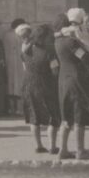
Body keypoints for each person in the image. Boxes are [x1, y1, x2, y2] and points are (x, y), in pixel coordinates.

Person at [54, 12, 89, 160]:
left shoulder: (57, 42)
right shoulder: (71, 42)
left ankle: (63, 150)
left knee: (66, 115)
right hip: (76, 79)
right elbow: (85, 59)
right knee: (79, 113)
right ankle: (80, 150)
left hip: (63, 79)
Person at [19, 24, 60, 154]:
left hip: (28, 85)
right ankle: (53, 146)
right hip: (45, 85)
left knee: (34, 115)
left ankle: (38, 145)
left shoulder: (26, 50)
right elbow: (55, 71)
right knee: (53, 116)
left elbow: (25, 68)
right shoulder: (50, 52)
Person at [4, 18, 28, 115]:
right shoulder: (20, 35)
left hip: (9, 62)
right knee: (19, 85)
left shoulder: (6, 35)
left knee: (11, 85)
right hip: (19, 62)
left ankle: (11, 108)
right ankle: (20, 109)